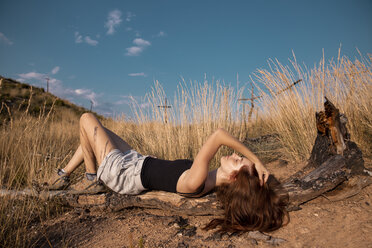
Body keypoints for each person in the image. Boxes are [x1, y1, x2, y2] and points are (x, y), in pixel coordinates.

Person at [45, 113, 289, 233]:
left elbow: (218, 135)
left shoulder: (197, 181)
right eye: (240, 156)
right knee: (97, 131)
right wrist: (255, 167)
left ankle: (91, 179)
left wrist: (256, 159)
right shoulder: (206, 179)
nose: (235, 155)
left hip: (122, 173)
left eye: (238, 161)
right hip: (134, 162)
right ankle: (64, 174)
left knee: (86, 118)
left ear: (234, 177)